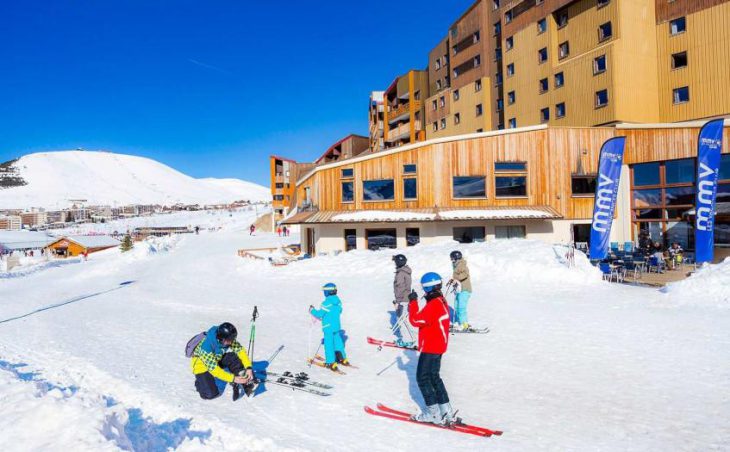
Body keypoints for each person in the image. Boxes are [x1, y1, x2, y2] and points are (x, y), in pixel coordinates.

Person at [407, 272, 455, 425]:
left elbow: (415, 320)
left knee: (423, 378)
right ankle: (446, 411)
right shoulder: (440, 300)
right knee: (434, 377)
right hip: (438, 345)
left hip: (431, 346)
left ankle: (433, 414)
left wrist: (413, 302)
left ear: (427, 288)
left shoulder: (434, 304)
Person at [190, 322, 254, 400]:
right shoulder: (206, 347)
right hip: (202, 367)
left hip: (216, 359)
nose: (231, 342)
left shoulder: (227, 337)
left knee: (232, 357)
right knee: (210, 394)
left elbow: (240, 350)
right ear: (220, 338)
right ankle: (199, 383)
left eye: (232, 340)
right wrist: (233, 378)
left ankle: (243, 379)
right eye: (229, 341)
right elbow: (215, 370)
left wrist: (248, 367)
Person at [309, 282, 349, 371]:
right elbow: (339, 311)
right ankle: (342, 358)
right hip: (336, 326)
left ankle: (330, 362)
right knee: (338, 342)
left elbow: (319, 314)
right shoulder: (338, 302)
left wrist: (312, 310)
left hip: (328, 327)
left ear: (327, 292)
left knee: (329, 344)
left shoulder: (326, 303)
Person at [392, 254, 414, 346]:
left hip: (403, 299)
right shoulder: (405, 271)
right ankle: (408, 338)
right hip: (405, 298)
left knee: (403, 320)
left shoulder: (401, 273)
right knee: (404, 319)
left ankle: (407, 340)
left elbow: (400, 287)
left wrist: (398, 301)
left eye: (395, 261)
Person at [448, 250, 472, 331]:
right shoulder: (456, 265)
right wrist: (453, 280)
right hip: (459, 289)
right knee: (456, 306)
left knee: (461, 308)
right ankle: (459, 322)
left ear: (456, 258)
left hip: (464, 290)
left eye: (452, 258)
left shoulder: (462, 265)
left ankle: (464, 324)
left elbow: (465, 274)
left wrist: (456, 278)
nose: (451, 260)